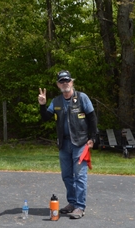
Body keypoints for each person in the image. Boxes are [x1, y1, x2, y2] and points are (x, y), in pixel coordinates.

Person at [38, 70, 97, 219]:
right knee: (66, 176)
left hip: (80, 143)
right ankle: (72, 202)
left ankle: (80, 207)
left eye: (67, 81)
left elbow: (92, 118)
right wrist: (42, 105)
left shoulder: (82, 98)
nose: (65, 84)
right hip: (63, 143)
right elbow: (46, 118)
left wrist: (94, 137)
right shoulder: (56, 101)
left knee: (80, 176)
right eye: (62, 82)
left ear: (72, 82)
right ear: (58, 85)